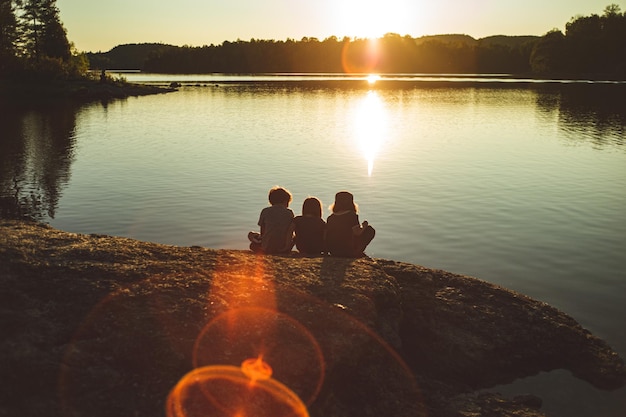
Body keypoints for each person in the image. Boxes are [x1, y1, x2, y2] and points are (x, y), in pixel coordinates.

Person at [326, 191, 375, 257]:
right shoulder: (352, 216)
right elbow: (357, 233)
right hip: (347, 250)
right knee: (370, 230)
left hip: (333, 251)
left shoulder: (330, 218)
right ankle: (357, 252)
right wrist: (364, 226)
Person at [248, 186, 295, 254]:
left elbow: (263, 230)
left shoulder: (265, 211)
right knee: (294, 237)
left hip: (267, 247)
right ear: (285, 201)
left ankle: (262, 248)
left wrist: (262, 239)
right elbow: (290, 231)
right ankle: (283, 249)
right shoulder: (289, 212)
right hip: (283, 247)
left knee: (251, 235)